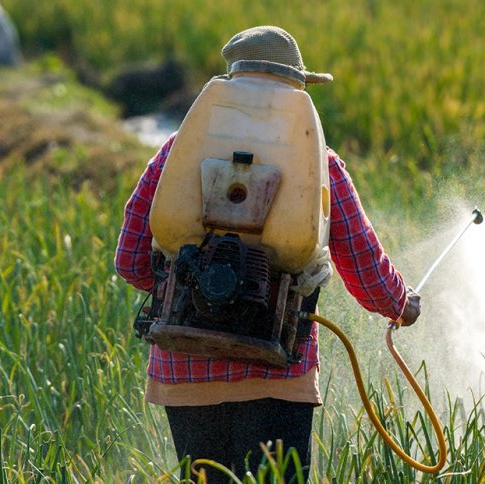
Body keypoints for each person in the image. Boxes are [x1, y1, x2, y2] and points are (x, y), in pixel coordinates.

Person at [114, 25, 421, 482]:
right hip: (277, 369)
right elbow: (363, 265)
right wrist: (401, 305)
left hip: (185, 371)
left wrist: (194, 281)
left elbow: (131, 261)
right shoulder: (320, 165)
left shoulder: (175, 155)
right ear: (296, 88)